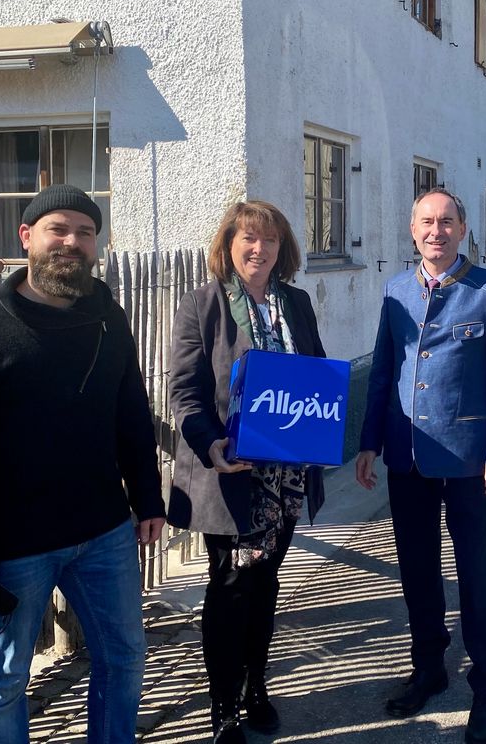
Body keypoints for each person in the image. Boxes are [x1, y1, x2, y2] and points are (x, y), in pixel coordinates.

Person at [0, 184, 166, 744]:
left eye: (85, 232)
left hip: (103, 531)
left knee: (125, 658)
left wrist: (148, 498)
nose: (73, 242)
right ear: (26, 238)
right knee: (3, 683)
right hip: (14, 547)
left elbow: (130, 412)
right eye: (59, 229)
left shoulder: (109, 319)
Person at [356, 188, 486, 744]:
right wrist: (368, 443)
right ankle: (428, 668)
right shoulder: (396, 291)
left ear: (463, 228)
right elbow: (385, 371)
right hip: (407, 457)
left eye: (446, 221)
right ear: (412, 229)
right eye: (427, 222)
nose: (437, 231)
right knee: (418, 573)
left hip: (469, 462)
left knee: (476, 577)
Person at [168, 200, 327, 743]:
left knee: (265, 584)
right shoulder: (203, 305)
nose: (260, 249)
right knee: (230, 586)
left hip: (285, 478)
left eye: (271, 240)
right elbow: (184, 392)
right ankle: (223, 708)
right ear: (228, 245)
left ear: (283, 249)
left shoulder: (297, 304)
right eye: (249, 239)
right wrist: (210, 444)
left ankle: (256, 685)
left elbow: (316, 373)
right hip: (231, 473)